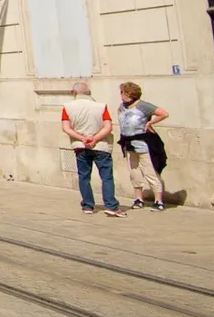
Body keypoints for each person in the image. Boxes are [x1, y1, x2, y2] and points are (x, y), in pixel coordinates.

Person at [62, 82, 122, 216]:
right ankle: (111, 206)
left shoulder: (67, 107)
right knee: (106, 177)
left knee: (84, 176)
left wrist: (82, 138)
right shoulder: (101, 106)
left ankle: (88, 206)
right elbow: (108, 127)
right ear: (88, 92)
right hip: (101, 146)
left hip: (80, 146)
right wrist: (95, 139)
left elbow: (66, 128)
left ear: (74, 92)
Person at [116, 82, 170, 211]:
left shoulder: (143, 106)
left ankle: (158, 200)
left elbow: (164, 113)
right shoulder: (122, 106)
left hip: (143, 143)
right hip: (128, 143)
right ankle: (139, 198)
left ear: (129, 93)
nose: (121, 95)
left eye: (122, 92)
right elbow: (120, 115)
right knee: (134, 172)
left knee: (150, 171)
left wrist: (150, 122)